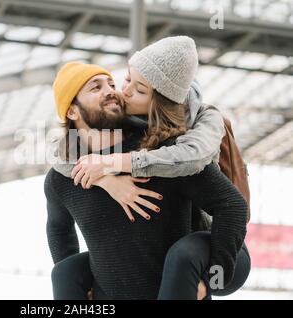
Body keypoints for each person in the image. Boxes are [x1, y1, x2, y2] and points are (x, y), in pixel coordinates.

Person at [45, 36, 249, 300]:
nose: (113, 90)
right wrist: (82, 284)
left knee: (186, 252)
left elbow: (231, 205)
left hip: (181, 286)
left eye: (111, 83)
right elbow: (59, 230)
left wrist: (210, 281)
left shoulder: (162, 153)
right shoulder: (60, 178)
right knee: (64, 272)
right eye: (96, 88)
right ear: (72, 112)